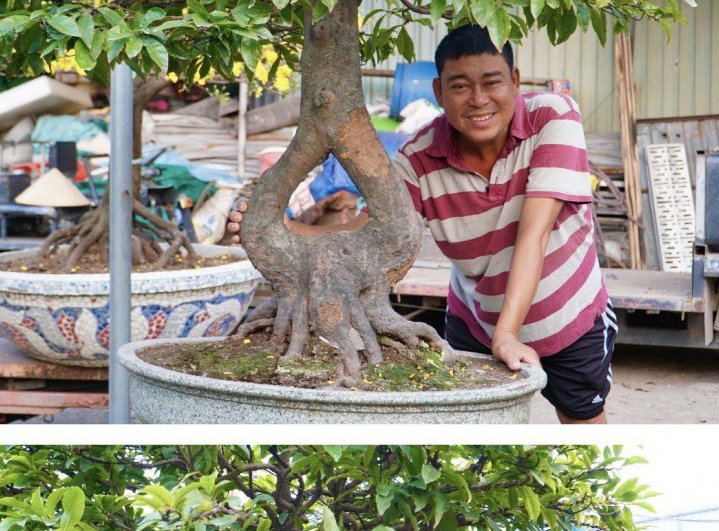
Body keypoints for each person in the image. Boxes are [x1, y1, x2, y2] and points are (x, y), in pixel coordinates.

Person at [225, 24, 617, 424]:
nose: (478, 100)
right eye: (460, 86)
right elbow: (367, 237)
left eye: (492, 82)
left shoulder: (553, 116)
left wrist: (509, 334)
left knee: (583, 433)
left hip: (568, 320)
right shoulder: (417, 158)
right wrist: (281, 231)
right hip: (475, 324)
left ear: (515, 81)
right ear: (438, 93)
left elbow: (533, 235)